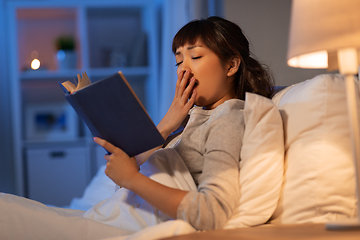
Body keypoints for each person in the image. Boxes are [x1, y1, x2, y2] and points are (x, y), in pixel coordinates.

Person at [90, 16, 274, 230]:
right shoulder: (194, 117)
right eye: (179, 61)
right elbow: (132, 168)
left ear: (231, 65)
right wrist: (168, 123)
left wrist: (131, 179)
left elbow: (212, 212)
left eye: (195, 56)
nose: (182, 70)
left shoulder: (228, 119)